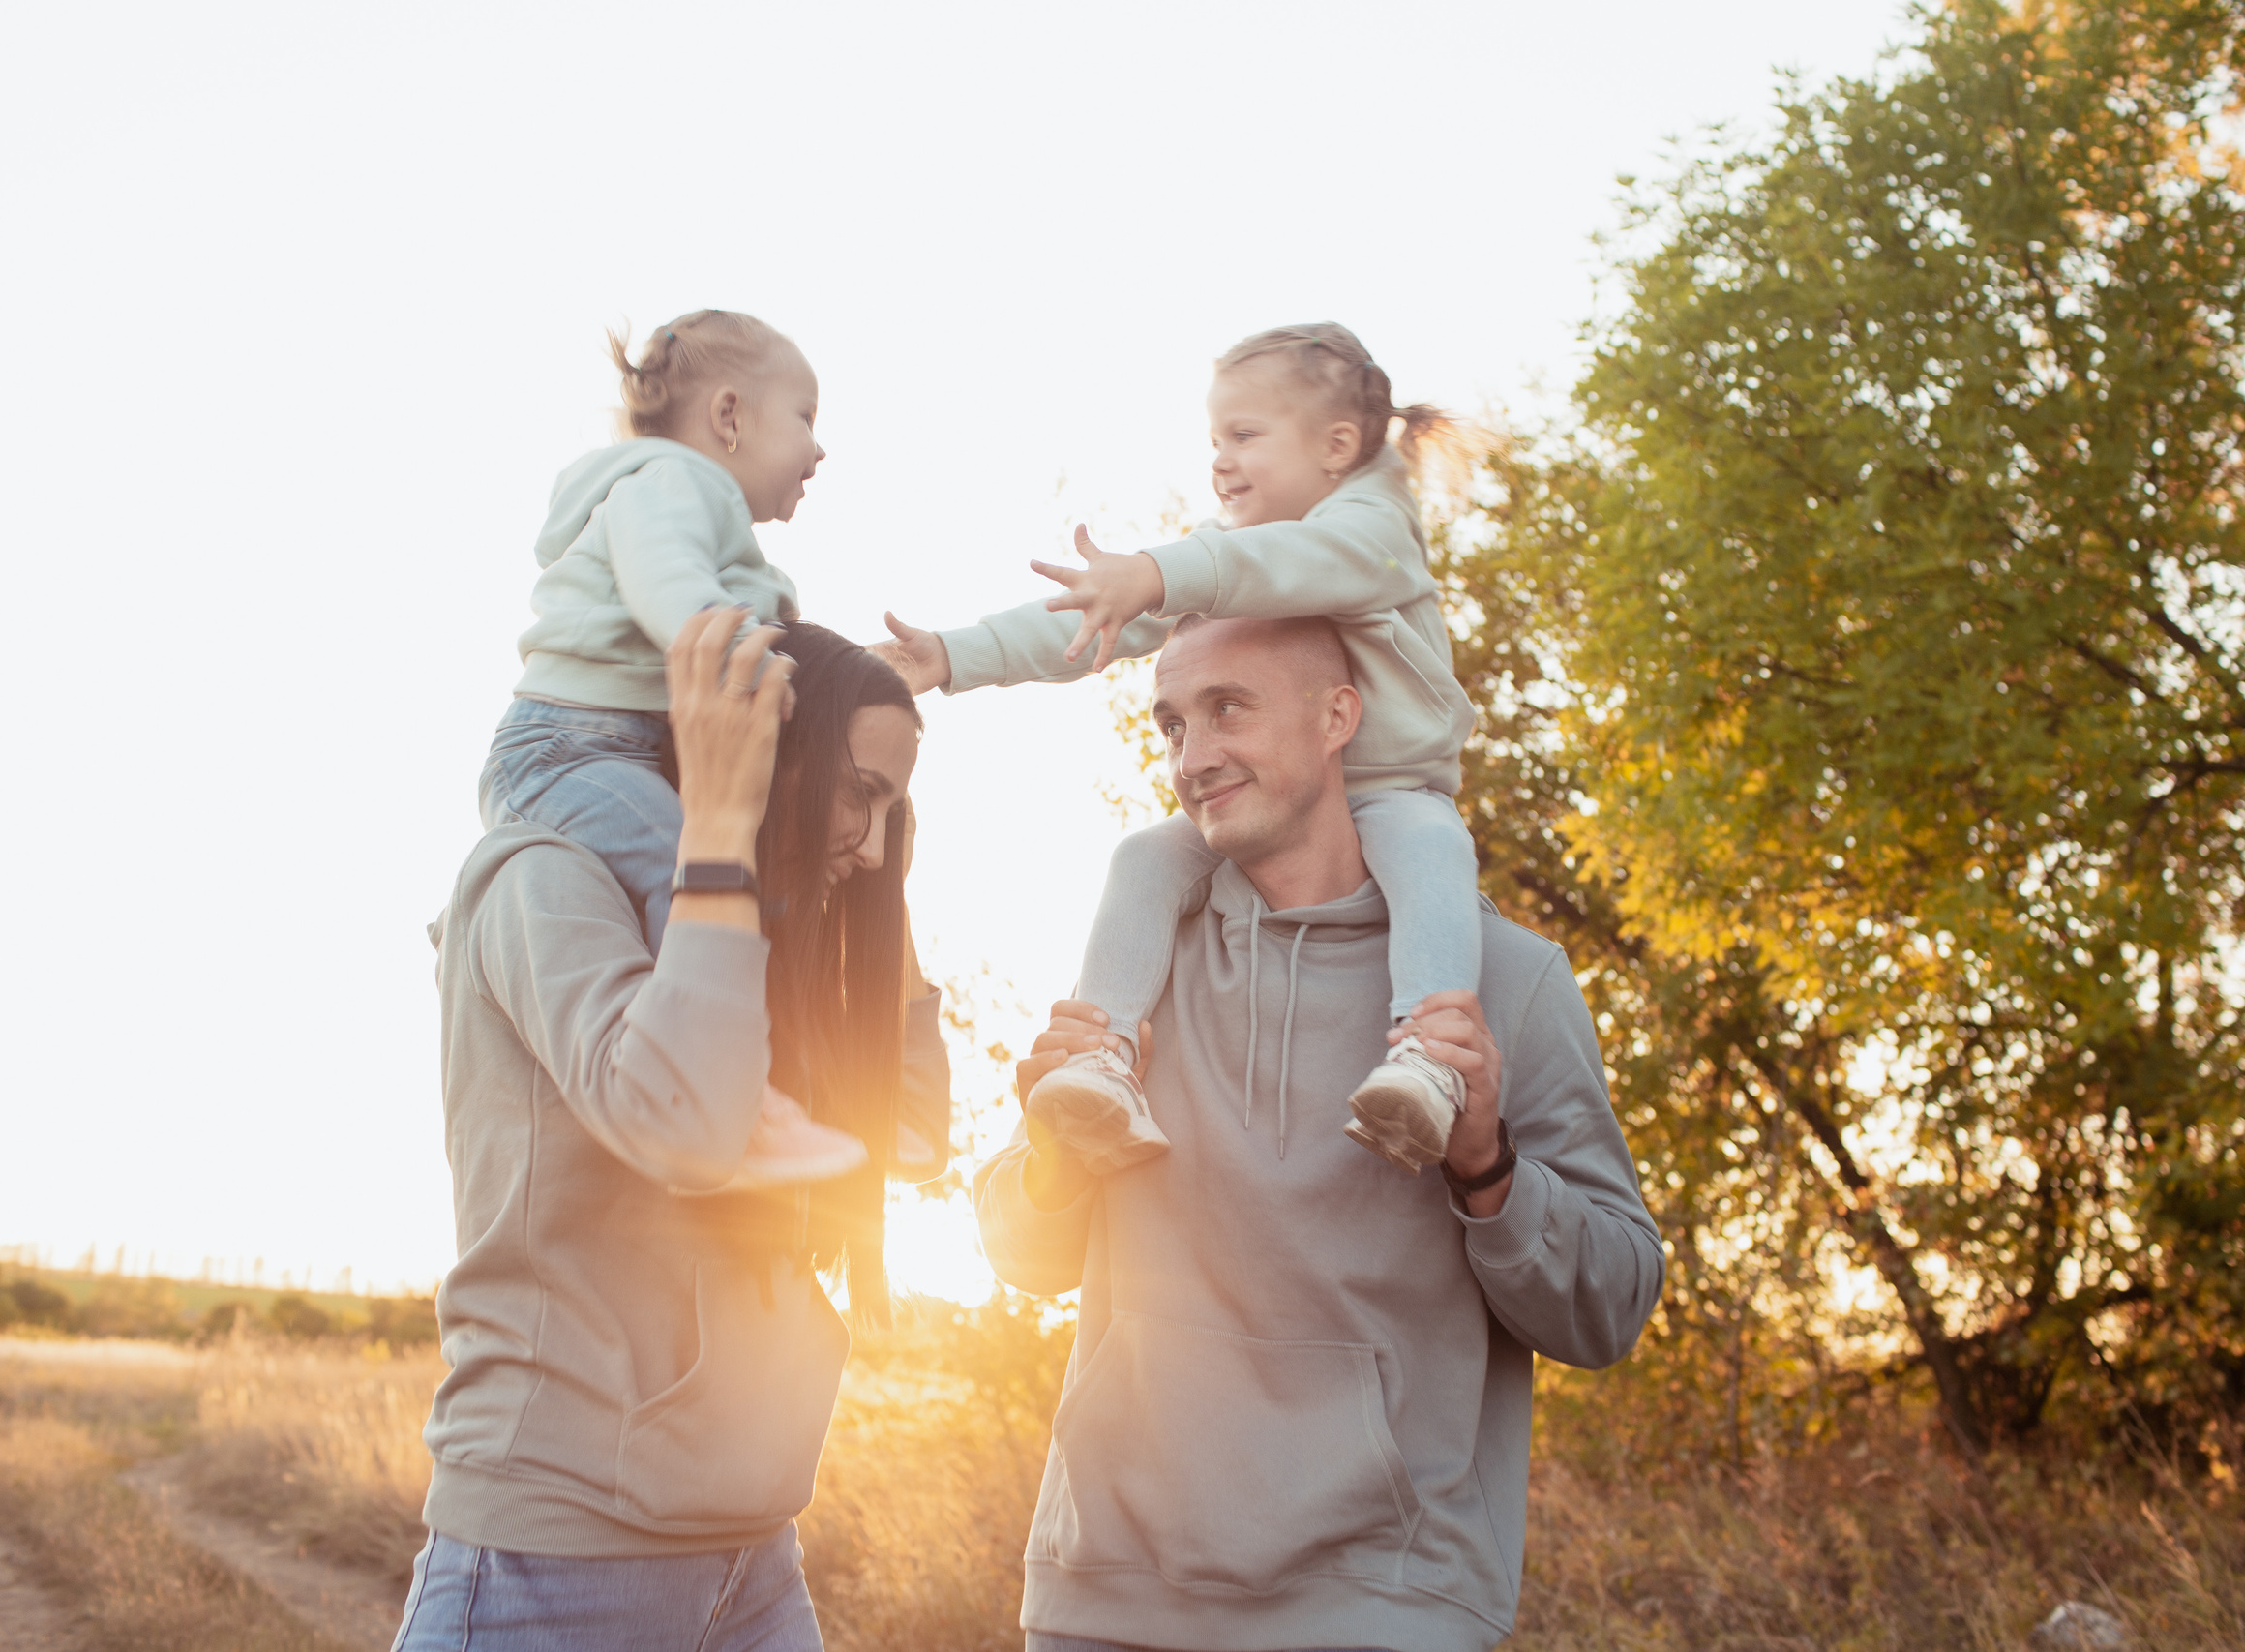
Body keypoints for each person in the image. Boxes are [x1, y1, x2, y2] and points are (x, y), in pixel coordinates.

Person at [974, 615, 1664, 1652]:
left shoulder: (1504, 982)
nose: (1192, 757)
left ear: (1339, 716)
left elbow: (1609, 1307)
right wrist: (1051, 1160)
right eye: (1173, 724)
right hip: (1107, 1598)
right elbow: (1022, 1258)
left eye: (1229, 709)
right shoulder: (1136, 965)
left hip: (1385, 1606)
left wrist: (1486, 1167)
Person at [397, 609, 944, 1652]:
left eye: (896, 811)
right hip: (553, 1562)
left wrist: (881, 908)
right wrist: (724, 829)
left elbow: (912, 1136)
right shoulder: (542, 877)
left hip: (756, 1555)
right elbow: (684, 1127)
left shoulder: (761, 940)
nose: (875, 845)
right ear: (762, 752)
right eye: (858, 793)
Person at [874, 323, 1483, 1177]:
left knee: (1432, 848)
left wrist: (1159, 573)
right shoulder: (1221, 557)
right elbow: (1095, 621)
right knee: (1145, 858)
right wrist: (950, 656)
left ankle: (1429, 1056)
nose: (1221, 461)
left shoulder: (1374, 529)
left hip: (1392, 788)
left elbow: (1282, 562)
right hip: (1266, 797)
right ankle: (1104, 1056)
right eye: (1214, 440)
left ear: (1337, 446)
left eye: (1245, 435)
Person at [485, 308, 859, 1184]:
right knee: (686, 867)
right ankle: (739, 1103)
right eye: (805, 416)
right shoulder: (670, 483)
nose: (819, 448)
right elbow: (667, 583)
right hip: (567, 750)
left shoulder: (701, 510)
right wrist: (742, 653)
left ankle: (749, 1078)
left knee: (719, 883)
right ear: (729, 416)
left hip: (599, 750)